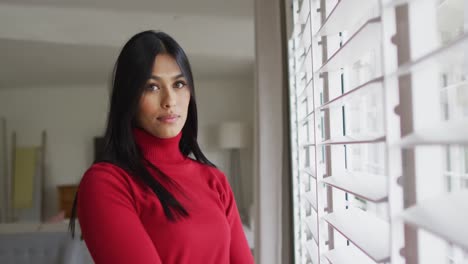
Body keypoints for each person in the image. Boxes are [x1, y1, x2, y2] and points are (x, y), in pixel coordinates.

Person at [69, 30, 254, 264]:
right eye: (152, 87)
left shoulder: (215, 181)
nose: (169, 101)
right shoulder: (107, 183)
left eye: (178, 84)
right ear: (129, 97)